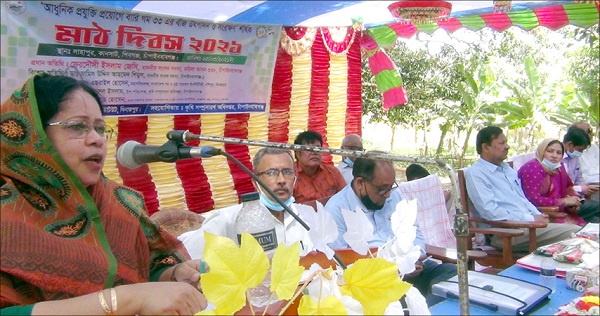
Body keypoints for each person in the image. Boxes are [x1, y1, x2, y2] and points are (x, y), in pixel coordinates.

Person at [0, 74, 207, 314]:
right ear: (35, 134)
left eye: (100, 128)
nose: (97, 139)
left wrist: (172, 276)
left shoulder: (119, 201)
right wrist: (125, 299)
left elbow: (147, 268)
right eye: (78, 126)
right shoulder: (7, 211)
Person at [325, 156, 456, 306]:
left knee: (453, 275)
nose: (387, 195)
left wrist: (413, 257)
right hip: (377, 282)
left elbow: (415, 231)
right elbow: (343, 264)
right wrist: (392, 270)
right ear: (360, 183)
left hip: (412, 268)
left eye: (390, 187)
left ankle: (426, 308)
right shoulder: (336, 209)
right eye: (381, 189)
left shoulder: (393, 194)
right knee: (398, 303)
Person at [178, 147, 314, 259]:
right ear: (255, 183)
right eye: (271, 173)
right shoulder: (228, 219)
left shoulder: (305, 217)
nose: (281, 180)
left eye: (287, 172)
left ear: (295, 179)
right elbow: (182, 255)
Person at [465, 127, 581, 253]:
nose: (507, 146)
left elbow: (522, 200)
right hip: (506, 233)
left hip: (528, 227)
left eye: (506, 142)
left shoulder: (506, 169)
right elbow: (490, 212)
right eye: (501, 143)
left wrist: (538, 215)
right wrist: (531, 219)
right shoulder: (476, 173)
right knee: (576, 233)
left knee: (582, 233)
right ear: (485, 147)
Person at [518, 139, 588, 226]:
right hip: (542, 215)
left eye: (559, 153)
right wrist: (564, 202)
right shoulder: (533, 168)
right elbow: (533, 199)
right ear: (542, 151)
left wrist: (574, 201)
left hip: (562, 212)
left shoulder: (559, 167)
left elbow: (568, 187)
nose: (554, 156)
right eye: (550, 151)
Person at [292, 130, 346, 204]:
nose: (314, 152)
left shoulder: (332, 172)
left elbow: (346, 198)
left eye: (318, 148)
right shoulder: (289, 174)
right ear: (297, 154)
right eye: (309, 149)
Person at [562, 126, 599, 198]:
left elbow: (579, 178)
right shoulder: (557, 159)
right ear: (569, 144)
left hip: (575, 196)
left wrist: (586, 187)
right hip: (563, 198)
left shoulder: (575, 159)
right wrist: (580, 189)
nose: (581, 153)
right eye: (580, 150)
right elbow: (560, 186)